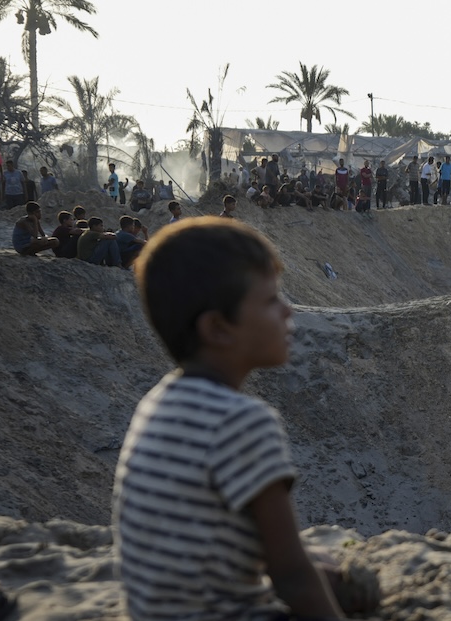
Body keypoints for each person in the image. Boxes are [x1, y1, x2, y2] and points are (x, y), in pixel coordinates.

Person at [115, 217, 379, 621]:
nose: (289, 310)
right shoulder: (242, 421)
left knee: (325, 567)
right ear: (218, 329)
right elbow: (290, 575)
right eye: (272, 300)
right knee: (345, 587)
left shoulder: (157, 403)